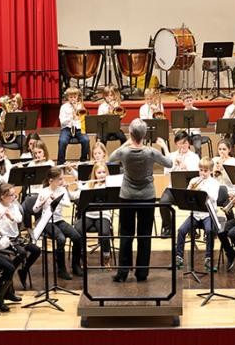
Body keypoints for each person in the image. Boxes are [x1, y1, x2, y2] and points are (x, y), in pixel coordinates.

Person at [108, 118, 172, 282]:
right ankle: (142, 273)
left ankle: (122, 272)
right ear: (144, 135)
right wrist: (164, 146)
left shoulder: (124, 152)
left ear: (130, 134)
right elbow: (170, 163)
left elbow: (110, 158)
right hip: (147, 197)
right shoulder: (151, 152)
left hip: (127, 196)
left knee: (126, 234)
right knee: (144, 235)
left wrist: (126, 142)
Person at [33, 166, 83, 279]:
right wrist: (41, 202)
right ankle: (61, 269)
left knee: (77, 236)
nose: (63, 181)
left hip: (59, 220)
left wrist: (57, 199)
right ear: (51, 181)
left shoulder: (62, 190)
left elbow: (68, 204)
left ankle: (76, 265)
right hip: (47, 222)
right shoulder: (44, 191)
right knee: (61, 239)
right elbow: (34, 210)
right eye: (60, 179)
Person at [0, 184, 40, 290]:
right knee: (22, 253)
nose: (14, 197)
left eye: (14, 195)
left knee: (36, 250)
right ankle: (8, 271)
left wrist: (11, 217)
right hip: (5, 238)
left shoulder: (14, 206)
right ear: (3, 197)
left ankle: (23, 270)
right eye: (11, 195)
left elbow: (19, 219)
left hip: (16, 237)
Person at [174, 157, 220, 272]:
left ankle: (208, 259)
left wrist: (201, 191)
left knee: (209, 231)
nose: (202, 173)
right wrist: (190, 190)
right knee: (181, 230)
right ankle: (178, 257)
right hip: (195, 214)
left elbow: (214, 197)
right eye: (201, 170)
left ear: (210, 171)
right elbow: (187, 196)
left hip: (208, 214)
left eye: (205, 170)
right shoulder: (194, 180)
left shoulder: (214, 183)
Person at [71, 162, 114, 267]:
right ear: (94, 174)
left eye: (104, 172)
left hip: (103, 215)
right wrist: (67, 189)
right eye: (99, 172)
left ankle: (106, 258)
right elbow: (75, 195)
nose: (102, 174)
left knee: (104, 233)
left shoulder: (110, 184)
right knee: (78, 230)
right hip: (89, 215)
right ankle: (82, 255)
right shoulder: (90, 184)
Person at [159, 131, 200, 237]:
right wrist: (174, 165)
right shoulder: (172, 156)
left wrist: (185, 168)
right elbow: (166, 173)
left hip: (189, 189)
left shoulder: (194, 157)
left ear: (189, 143)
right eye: (180, 143)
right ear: (176, 144)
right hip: (173, 188)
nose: (183, 146)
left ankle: (192, 228)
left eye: (185, 143)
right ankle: (168, 228)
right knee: (163, 203)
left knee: (195, 203)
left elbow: (197, 175)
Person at [57, 87, 90, 165]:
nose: (73, 99)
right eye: (71, 97)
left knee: (86, 140)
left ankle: (83, 160)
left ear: (77, 97)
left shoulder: (80, 106)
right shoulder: (64, 107)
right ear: (67, 97)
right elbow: (62, 122)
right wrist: (71, 117)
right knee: (62, 141)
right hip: (67, 128)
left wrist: (79, 116)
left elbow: (84, 119)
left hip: (78, 128)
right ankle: (61, 162)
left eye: (75, 97)